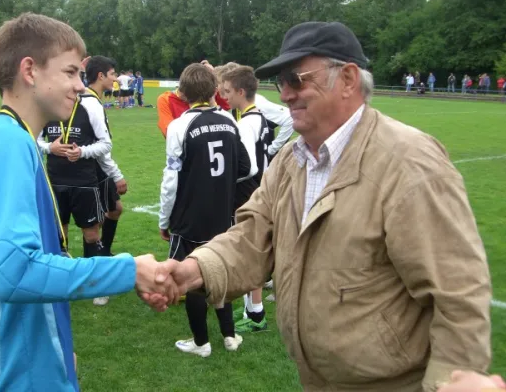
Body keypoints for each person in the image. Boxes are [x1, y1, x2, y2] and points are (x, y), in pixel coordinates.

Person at [148, 21, 492, 392]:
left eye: (296, 79)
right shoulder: (291, 161)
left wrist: (452, 380)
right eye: (281, 82)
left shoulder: (411, 163)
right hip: (315, 378)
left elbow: (458, 294)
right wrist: (195, 270)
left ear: (347, 79)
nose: (285, 95)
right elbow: (251, 237)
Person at [0, 13, 177, 392]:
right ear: (29, 70)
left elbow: (25, 259)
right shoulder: (5, 142)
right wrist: (127, 270)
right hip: (12, 376)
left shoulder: (15, 138)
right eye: (69, 73)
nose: (80, 87)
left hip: (34, 364)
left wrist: (57, 348)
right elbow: (13, 271)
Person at [158, 63, 250, 357]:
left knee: (191, 275)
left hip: (190, 217)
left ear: (183, 93)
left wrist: (164, 219)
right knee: (218, 269)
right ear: (214, 90)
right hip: (222, 215)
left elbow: (170, 181)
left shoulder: (179, 126)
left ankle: (201, 343)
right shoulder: (229, 121)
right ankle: (230, 336)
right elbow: (248, 168)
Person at [38, 56, 113, 263]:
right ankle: (61, 284)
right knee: (58, 235)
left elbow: (106, 144)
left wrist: (82, 152)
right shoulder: (47, 109)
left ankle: (96, 285)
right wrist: (50, 147)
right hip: (55, 182)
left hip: (84, 182)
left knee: (91, 235)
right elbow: (32, 140)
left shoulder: (90, 108)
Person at [221, 65, 271, 332]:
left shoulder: (245, 124)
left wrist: (224, 182)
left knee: (247, 252)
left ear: (241, 91)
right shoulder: (258, 116)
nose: (224, 96)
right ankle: (253, 311)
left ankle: (256, 315)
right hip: (257, 189)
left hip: (247, 193)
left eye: (228, 91)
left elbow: (249, 166)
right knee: (252, 250)